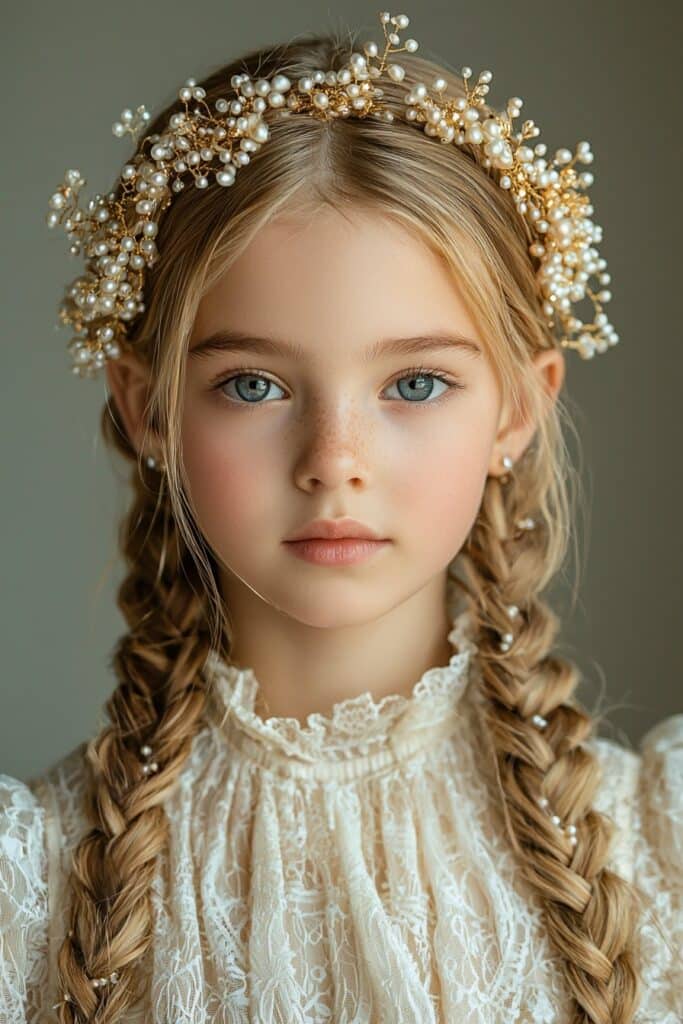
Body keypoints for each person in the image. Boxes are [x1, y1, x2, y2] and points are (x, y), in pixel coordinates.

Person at [2, 11, 681, 1023]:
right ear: (147, 407)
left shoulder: (656, 847)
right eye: (251, 385)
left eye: (412, 382)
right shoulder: (33, 890)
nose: (333, 463)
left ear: (517, 407)